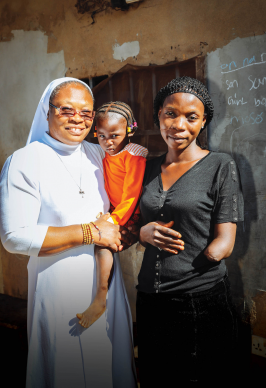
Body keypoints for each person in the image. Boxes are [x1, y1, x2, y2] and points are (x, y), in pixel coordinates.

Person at [0, 77, 137, 388]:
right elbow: (14, 236)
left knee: (110, 369)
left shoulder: (98, 154)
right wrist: (91, 233)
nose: (78, 119)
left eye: (87, 113)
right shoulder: (24, 161)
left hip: (106, 288)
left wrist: (126, 233)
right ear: (46, 112)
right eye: (66, 109)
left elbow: (120, 210)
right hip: (58, 289)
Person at [137, 76, 244, 386]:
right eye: (170, 113)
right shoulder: (147, 168)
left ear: (203, 121)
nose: (178, 124)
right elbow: (130, 225)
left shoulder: (221, 166)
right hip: (149, 299)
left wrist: (208, 256)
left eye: (190, 117)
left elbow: (225, 240)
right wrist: (143, 233)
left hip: (199, 301)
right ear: (158, 115)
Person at [77, 101, 148, 328]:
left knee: (103, 243)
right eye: (101, 136)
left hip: (132, 213)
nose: (108, 142)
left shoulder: (133, 154)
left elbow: (132, 193)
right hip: (116, 211)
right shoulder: (105, 153)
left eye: (115, 135)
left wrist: (113, 219)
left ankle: (100, 299)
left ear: (130, 131)